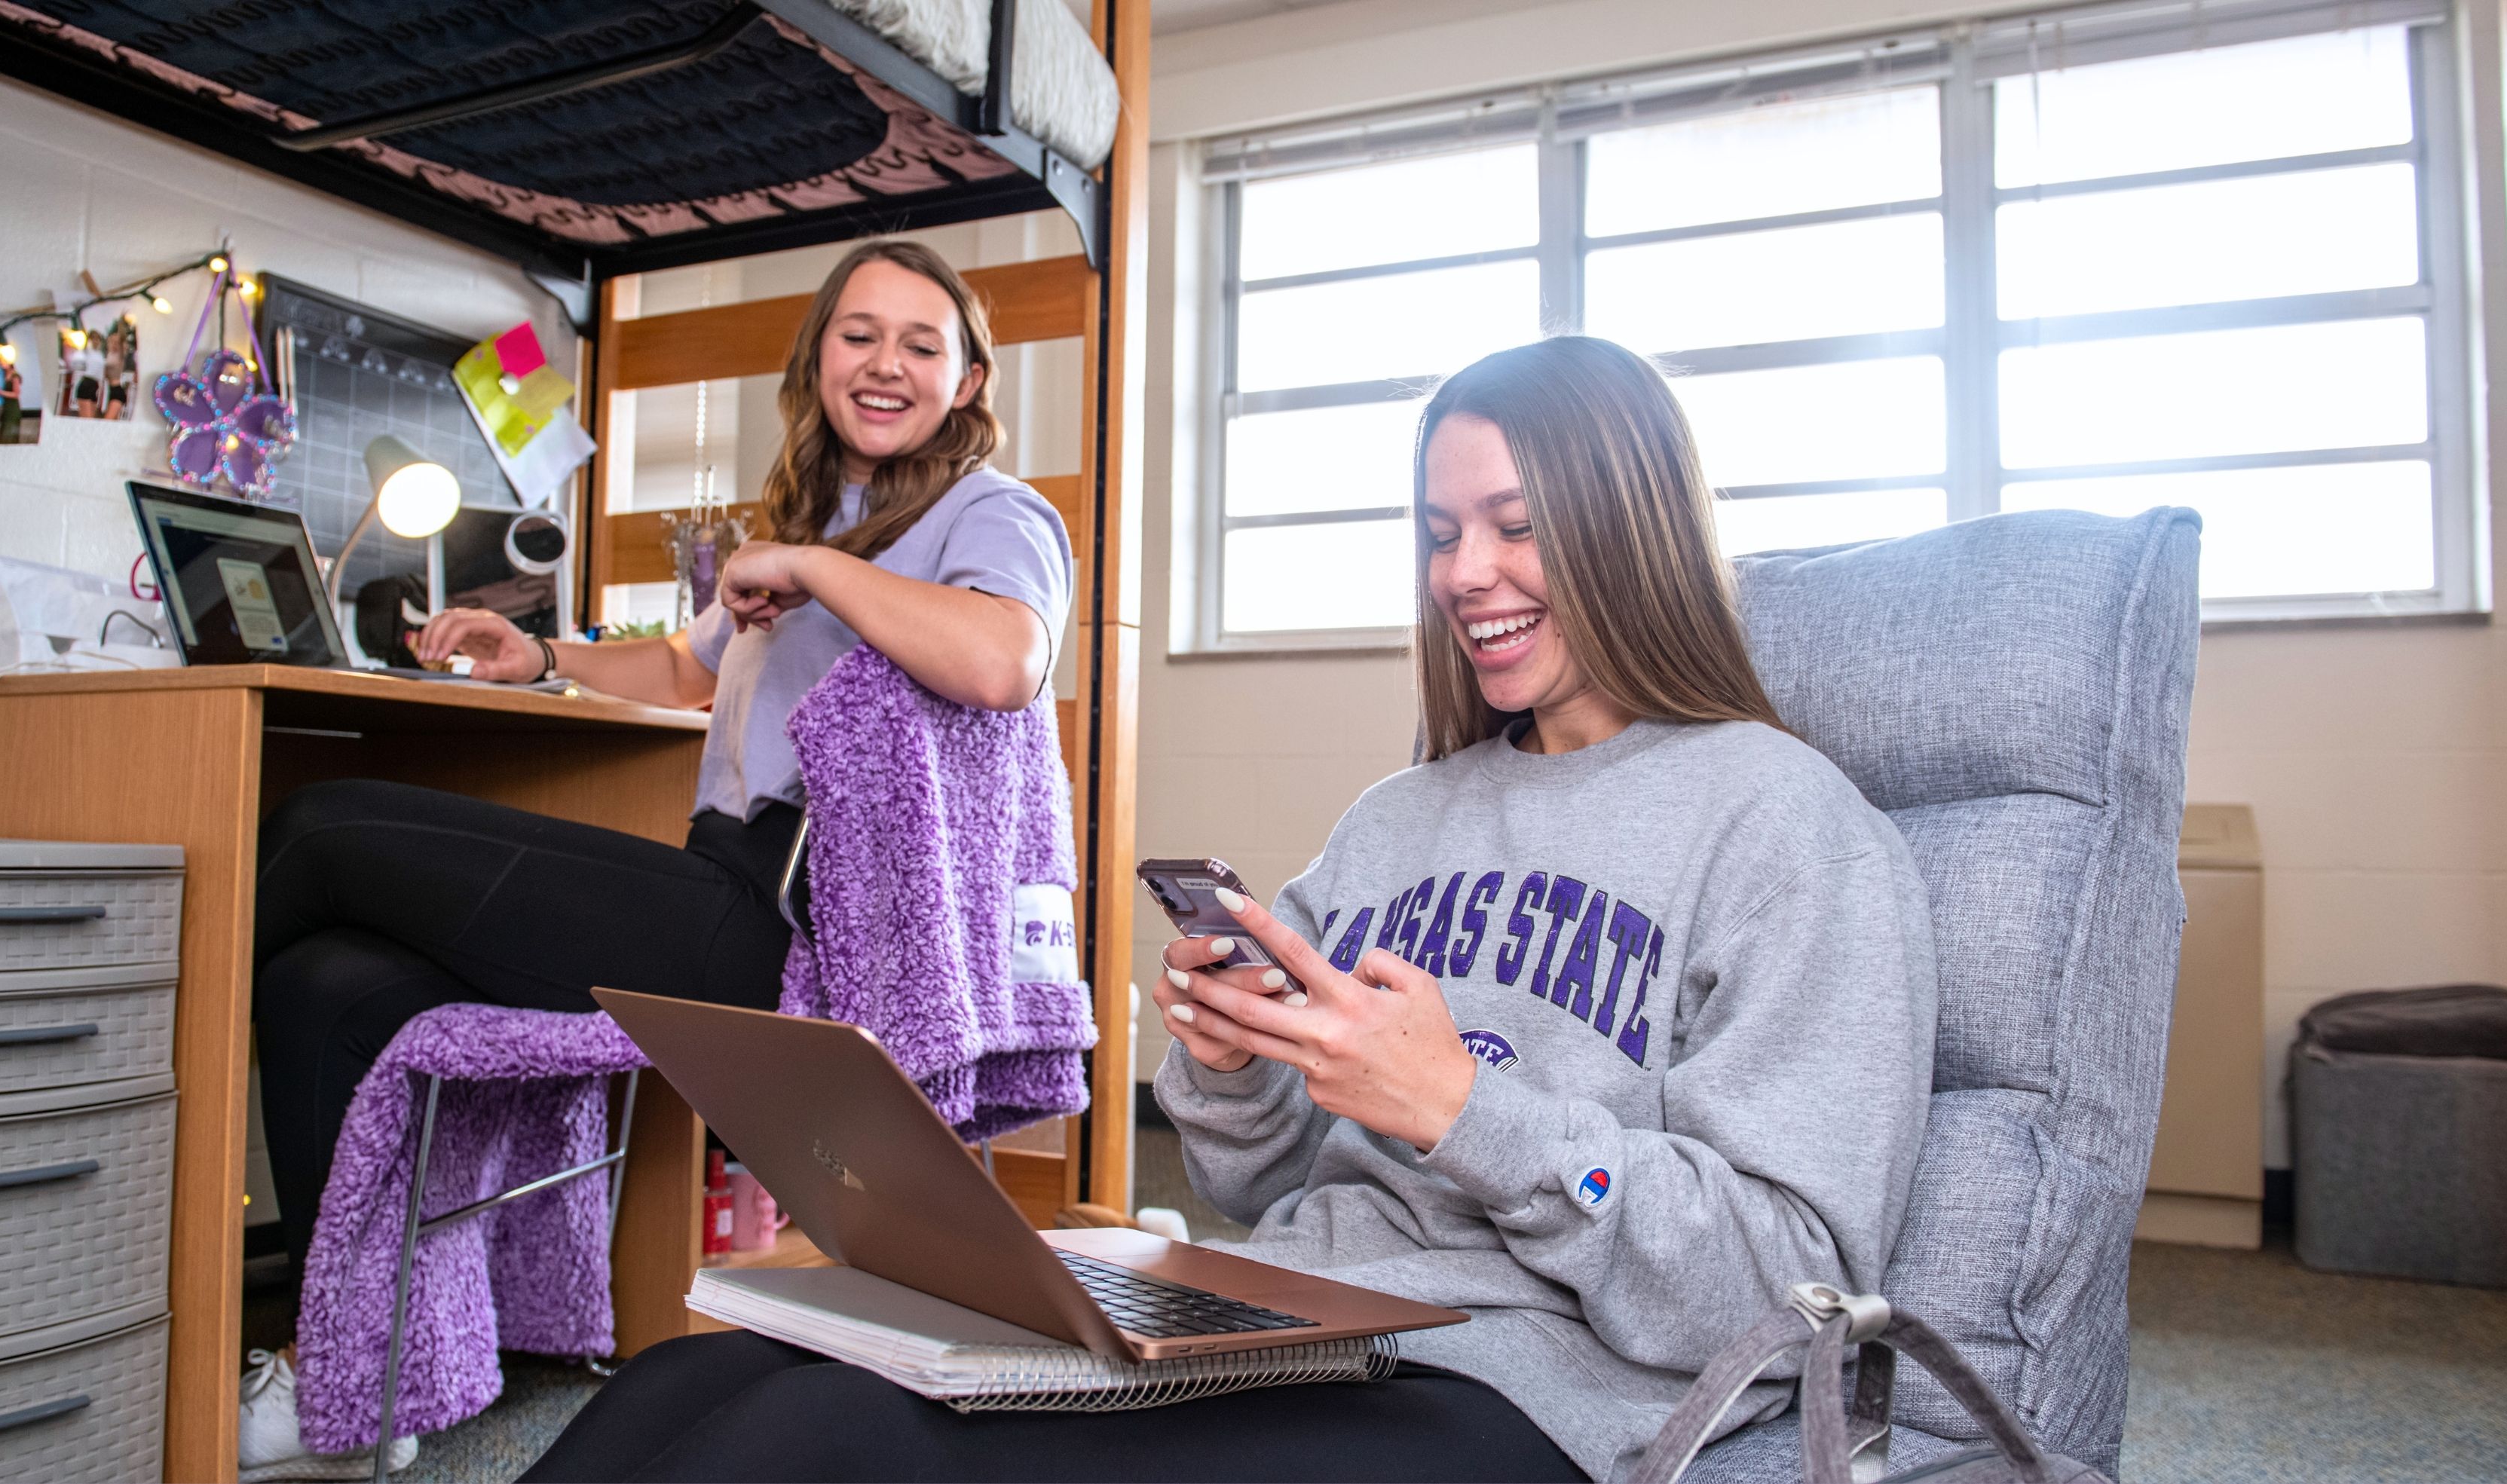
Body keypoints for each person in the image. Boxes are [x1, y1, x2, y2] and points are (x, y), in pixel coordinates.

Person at [523, 337, 1939, 1483]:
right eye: (1444, 531)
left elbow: (1790, 1296)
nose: (1462, 574)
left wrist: (1462, 1107)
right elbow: (1263, 1191)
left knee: (824, 1443)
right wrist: (1229, 1069)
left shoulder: (1788, 825)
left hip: (1512, 1383)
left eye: (1516, 526)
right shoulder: (1402, 814)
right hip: (1281, 1312)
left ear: (1628, 528)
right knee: (695, 1379)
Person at [235, 238, 1073, 1481]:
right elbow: (688, 669)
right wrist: (546, 661)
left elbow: (1007, 660)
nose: (885, 363)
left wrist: (804, 567)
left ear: (965, 380)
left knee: (318, 828)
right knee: (330, 985)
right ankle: (347, 1379)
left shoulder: (988, 512)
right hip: (714, 880)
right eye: (858, 334)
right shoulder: (818, 517)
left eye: (920, 343)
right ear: (817, 358)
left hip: (793, 933)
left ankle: (137, 1164)